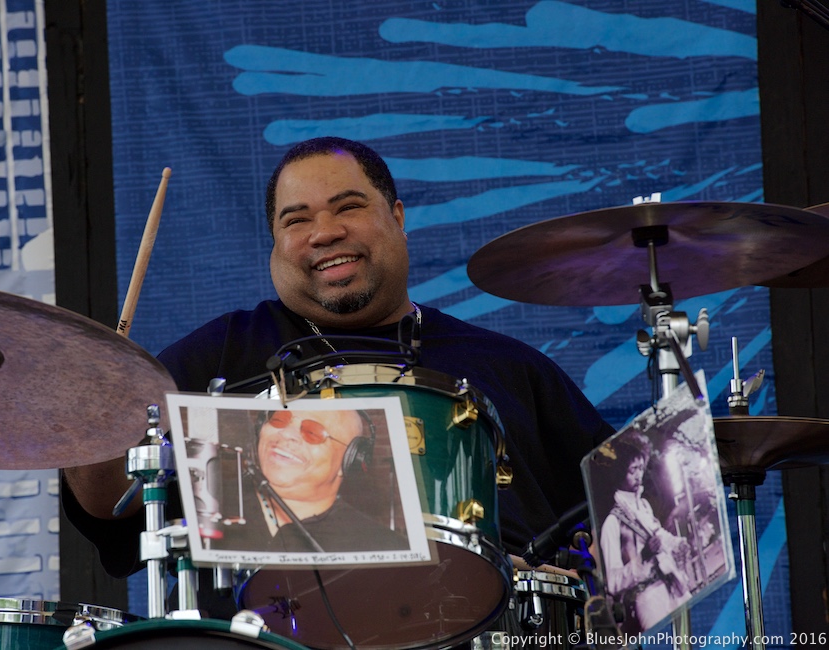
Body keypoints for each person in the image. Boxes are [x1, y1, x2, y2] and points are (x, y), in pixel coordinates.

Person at [61, 136, 615, 616]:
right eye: (295, 219)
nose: (323, 233)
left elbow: (624, 525)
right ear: (275, 245)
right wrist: (89, 406)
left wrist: (552, 583)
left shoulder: (509, 367)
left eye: (347, 207)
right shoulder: (222, 354)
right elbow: (109, 500)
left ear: (396, 217)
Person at [208, 408, 408, 553]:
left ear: (349, 462)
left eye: (312, 432)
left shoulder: (381, 546)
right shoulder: (207, 506)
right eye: (279, 419)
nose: (286, 434)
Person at [598, 431, 691, 633]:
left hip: (672, 583)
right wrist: (642, 556)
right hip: (647, 597)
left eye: (641, 467)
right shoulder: (612, 524)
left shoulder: (644, 505)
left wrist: (677, 543)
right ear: (620, 472)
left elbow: (659, 535)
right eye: (633, 469)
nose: (639, 474)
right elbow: (613, 583)